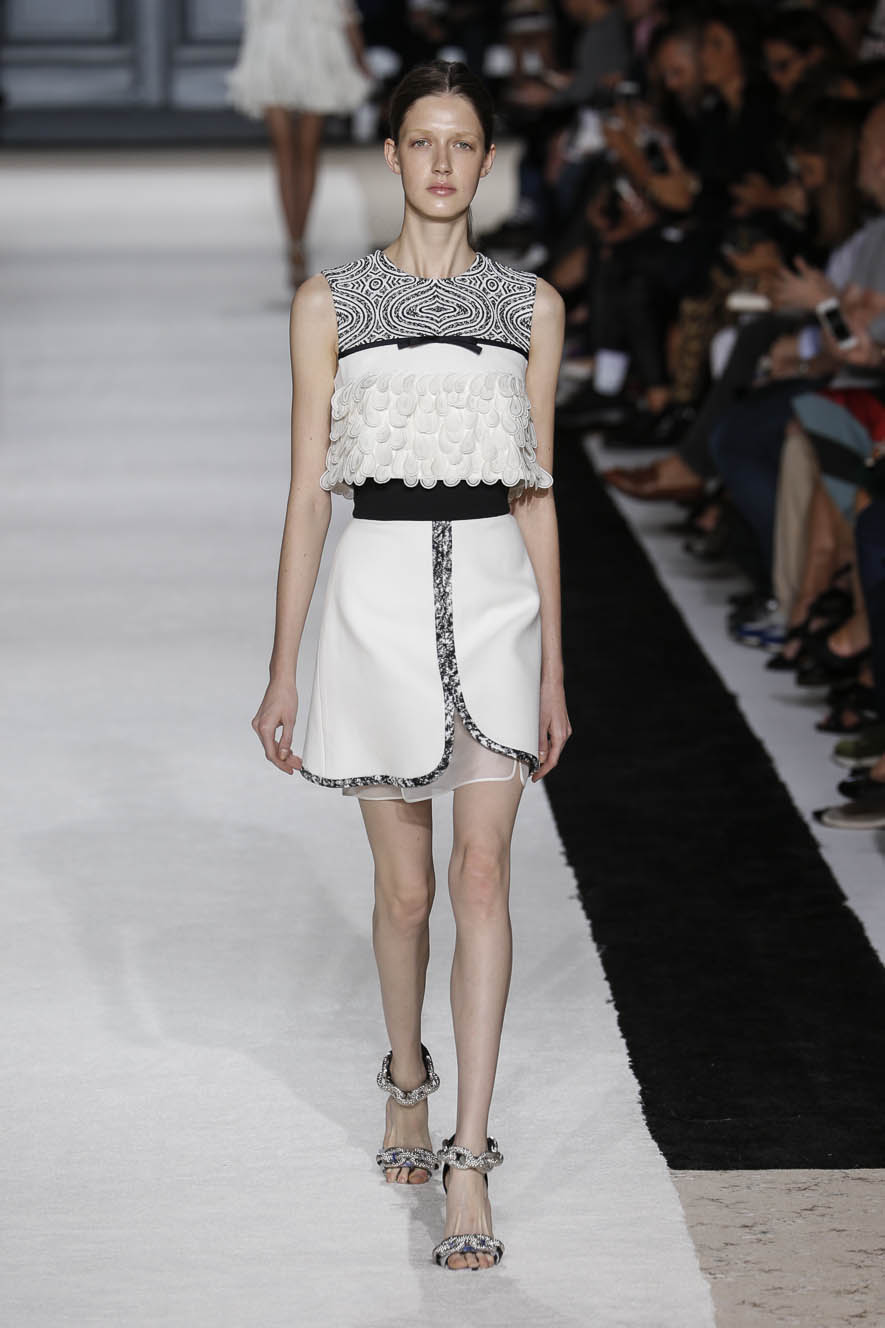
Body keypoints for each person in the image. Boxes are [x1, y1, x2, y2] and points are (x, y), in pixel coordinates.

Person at [250, 59, 571, 1271]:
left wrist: (554, 669)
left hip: (497, 600)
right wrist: (283, 667)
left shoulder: (531, 306)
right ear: (391, 155)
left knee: (482, 875)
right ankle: (405, 1077)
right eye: (423, 141)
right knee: (406, 894)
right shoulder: (330, 302)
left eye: (463, 143)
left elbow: (538, 491)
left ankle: (469, 1155)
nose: (443, 163)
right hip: (374, 603)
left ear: (486, 161)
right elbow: (305, 495)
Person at [227, 0, 372, 287]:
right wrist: (358, 55)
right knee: (299, 152)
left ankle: (296, 242)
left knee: (296, 152)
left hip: (293, 43)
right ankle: (297, 242)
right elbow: (345, 11)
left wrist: (358, 54)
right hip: (291, 45)